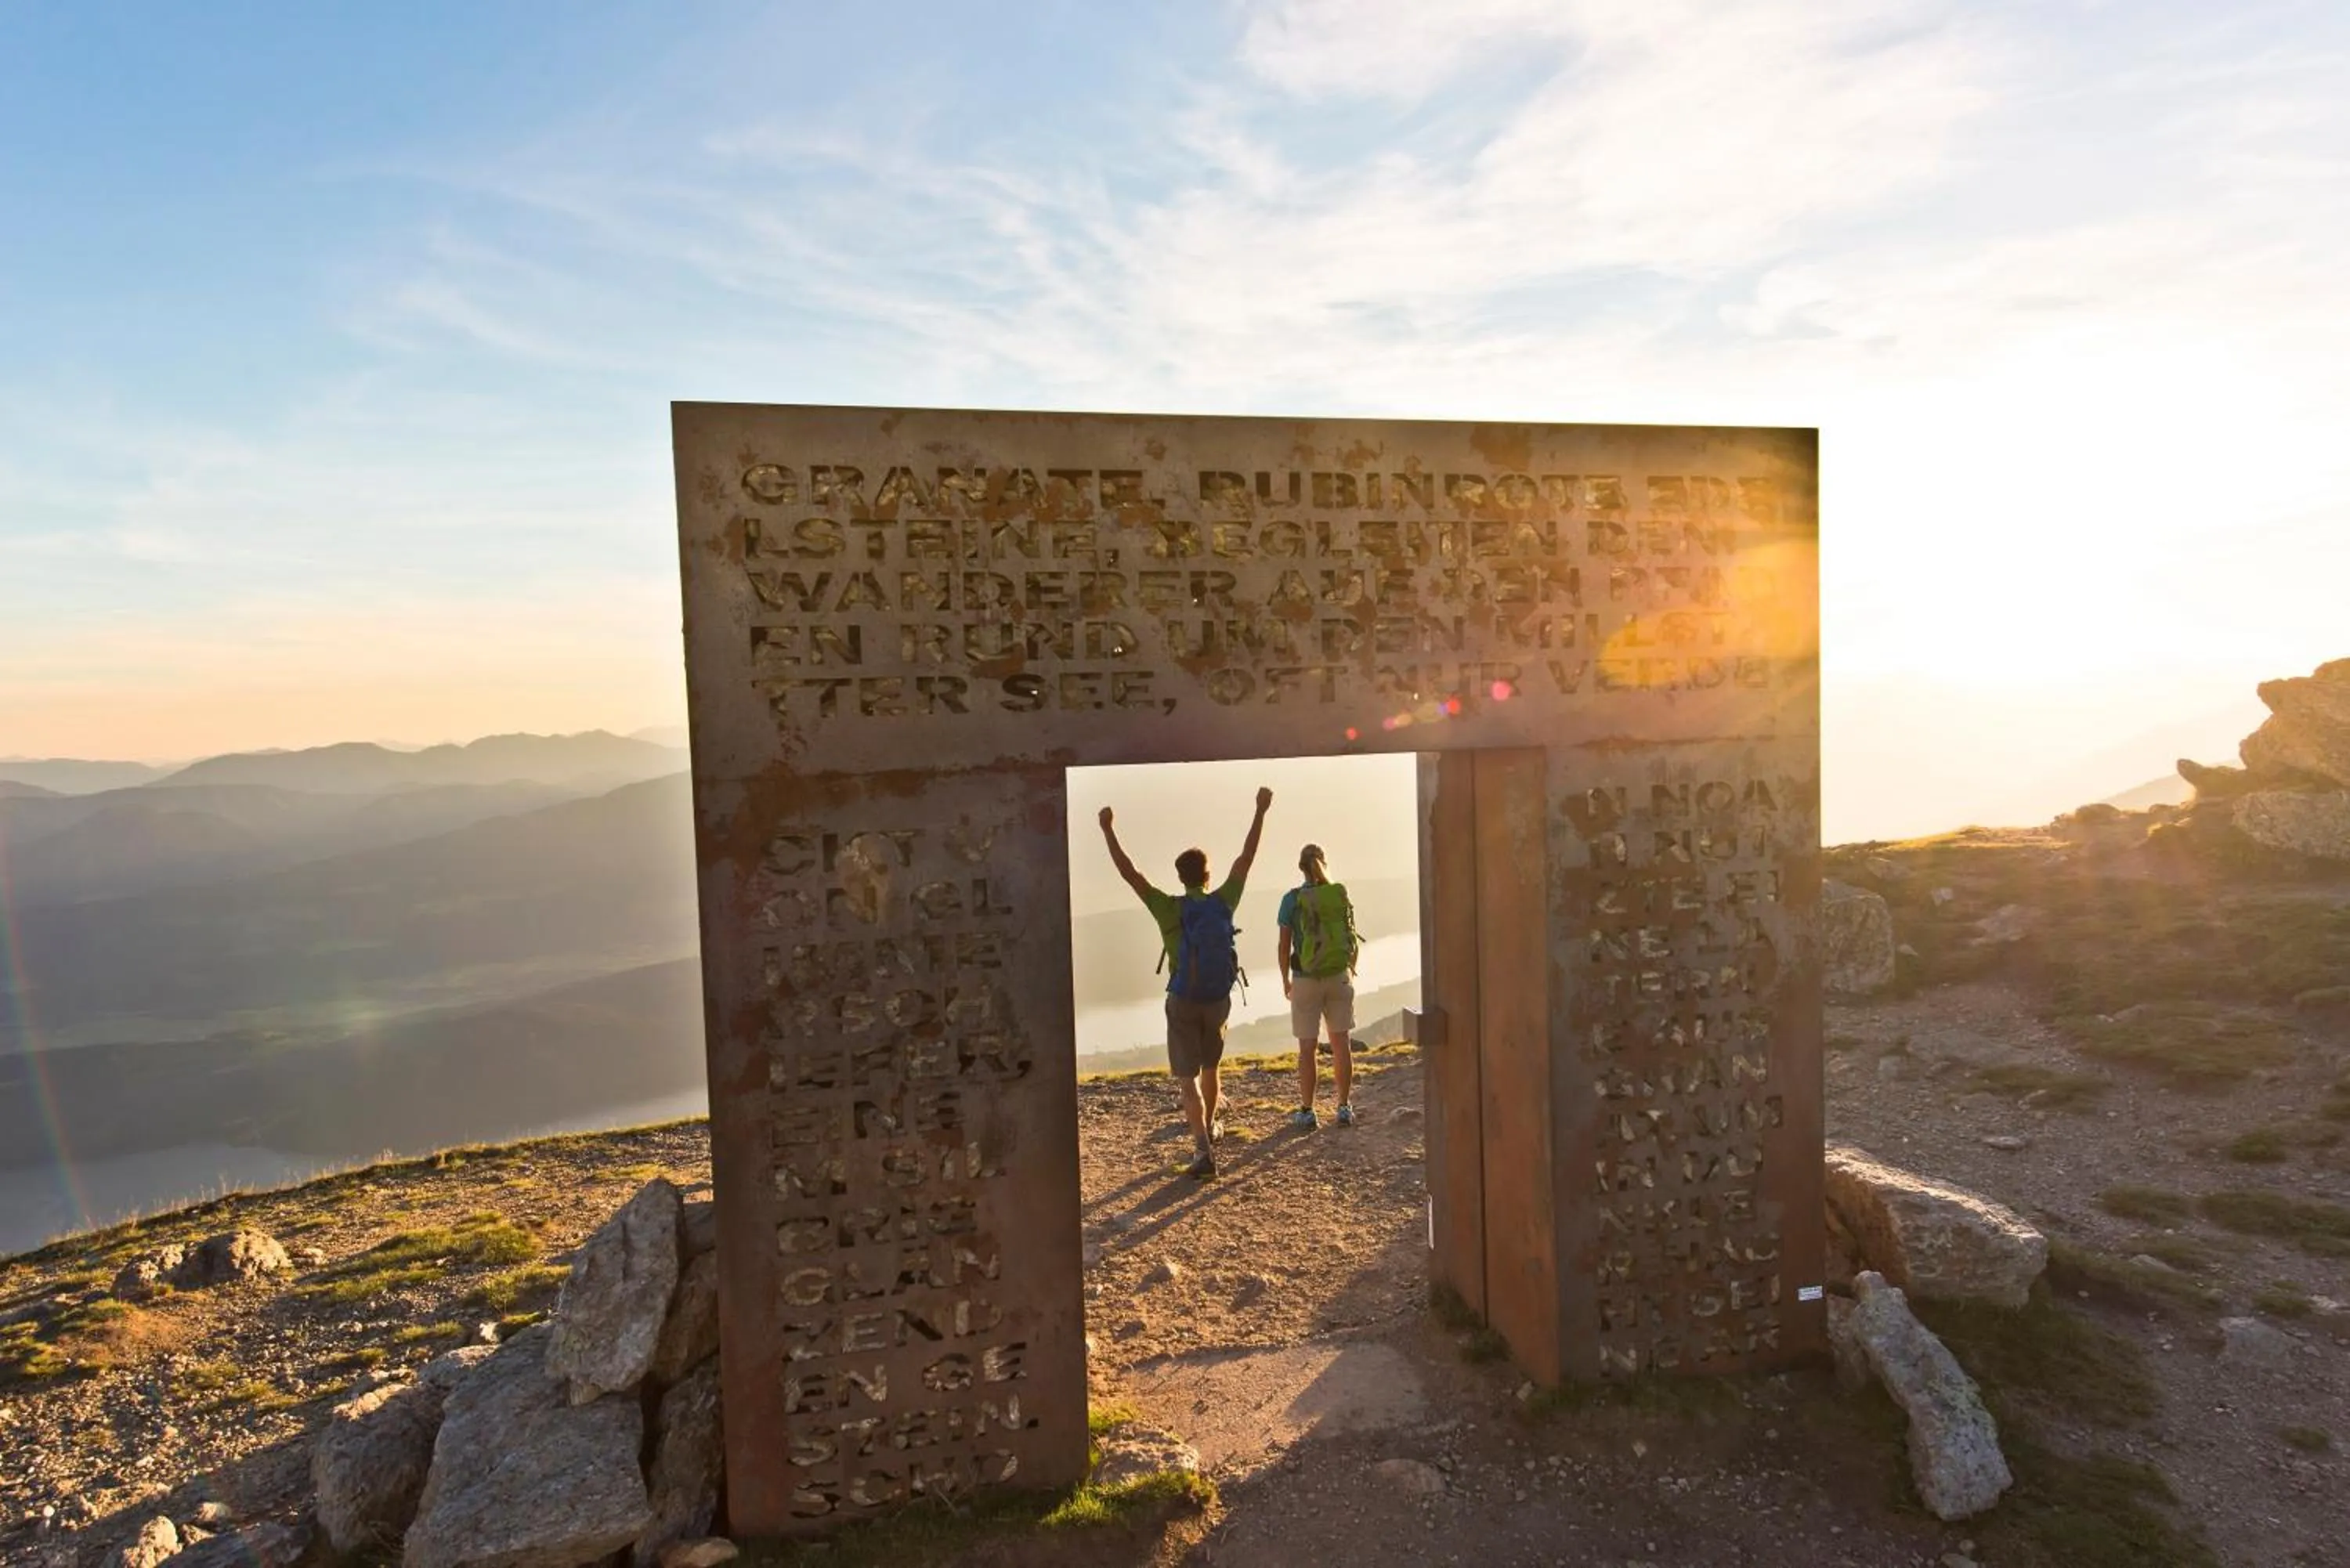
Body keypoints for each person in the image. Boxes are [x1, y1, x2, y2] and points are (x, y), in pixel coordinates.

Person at [1097, 786, 1273, 1179]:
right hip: (1218, 998)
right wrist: (1260, 810)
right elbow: (1246, 859)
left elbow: (1131, 875)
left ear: (1180, 877)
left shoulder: (1168, 908)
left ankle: (1201, 1150)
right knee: (1211, 1069)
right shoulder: (1224, 901)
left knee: (1187, 1078)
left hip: (1181, 999)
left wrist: (1108, 830)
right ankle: (1211, 1127)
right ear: (1208, 876)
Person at [1277, 843, 1360, 1129]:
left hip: (1306, 978)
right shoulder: (1337, 894)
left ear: (1301, 867)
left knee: (1307, 1049)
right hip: (1338, 975)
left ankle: (1308, 1110)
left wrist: (1285, 979)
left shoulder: (1292, 900)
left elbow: (1284, 944)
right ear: (1324, 862)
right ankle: (1344, 1107)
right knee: (1341, 1045)